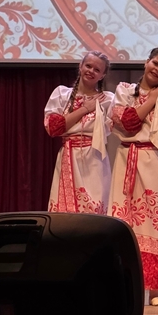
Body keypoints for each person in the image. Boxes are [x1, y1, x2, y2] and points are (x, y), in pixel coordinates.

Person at [109, 46, 158, 306]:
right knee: (126, 222)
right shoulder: (124, 90)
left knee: (157, 221)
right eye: (155, 63)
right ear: (146, 62)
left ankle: (155, 290)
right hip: (129, 158)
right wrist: (152, 99)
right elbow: (129, 123)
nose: (157, 70)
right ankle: (125, 287)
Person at [44, 51, 113, 214]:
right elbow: (53, 128)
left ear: (102, 75)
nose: (91, 71)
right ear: (80, 66)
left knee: (95, 207)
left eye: (97, 69)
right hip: (70, 155)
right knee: (67, 211)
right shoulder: (62, 94)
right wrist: (85, 109)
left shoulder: (108, 99)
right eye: (88, 66)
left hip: (95, 158)